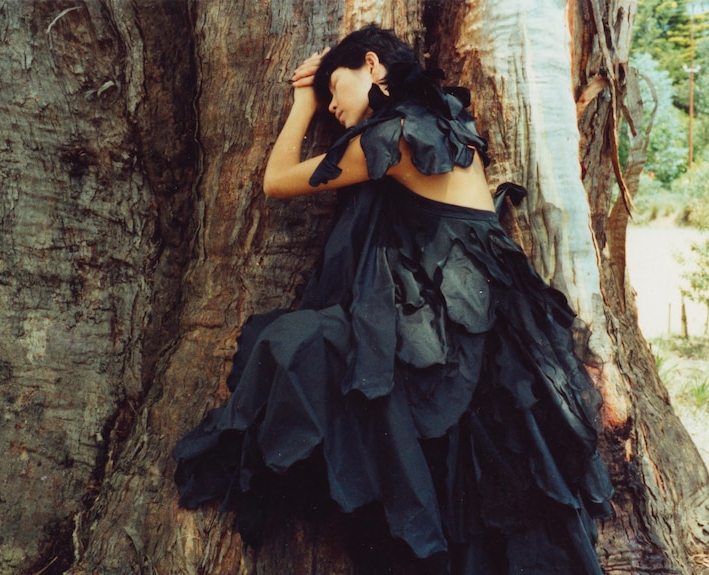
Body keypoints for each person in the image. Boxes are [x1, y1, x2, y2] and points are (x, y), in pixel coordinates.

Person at [174, 24, 614, 575]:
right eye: (326, 93)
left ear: (373, 66)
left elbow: (277, 179)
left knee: (303, 348)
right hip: (480, 307)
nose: (333, 101)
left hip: (455, 314)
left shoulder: (396, 135)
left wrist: (301, 104)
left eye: (337, 85)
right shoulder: (438, 124)